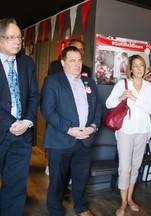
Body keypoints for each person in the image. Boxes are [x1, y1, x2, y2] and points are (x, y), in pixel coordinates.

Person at [41, 46, 102, 216]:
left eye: (79, 60)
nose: (77, 64)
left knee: (81, 177)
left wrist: (93, 127)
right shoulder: (53, 81)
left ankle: (81, 208)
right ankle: (55, 210)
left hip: (85, 139)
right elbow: (47, 110)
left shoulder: (88, 82)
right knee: (57, 180)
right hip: (61, 140)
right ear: (63, 62)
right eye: (72, 61)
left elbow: (97, 107)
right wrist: (69, 130)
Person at [105, 54, 151, 216]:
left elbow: (150, 109)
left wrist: (134, 97)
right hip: (125, 130)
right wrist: (121, 97)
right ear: (130, 69)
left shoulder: (148, 86)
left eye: (142, 65)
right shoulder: (123, 83)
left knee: (136, 166)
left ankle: (130, 198)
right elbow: (108, 104)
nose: (139, 68)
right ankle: (123, 202)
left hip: (143, 130)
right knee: (124, 168)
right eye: (136, 65)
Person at [0, 18, 40, 215]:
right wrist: (10, 122)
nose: (17, 41)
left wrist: (28, 121)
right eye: (11, 37)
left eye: (19, 37)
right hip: (2, 130)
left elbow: (34, 95)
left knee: (15, 187)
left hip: (22, 134)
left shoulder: (27, 63)